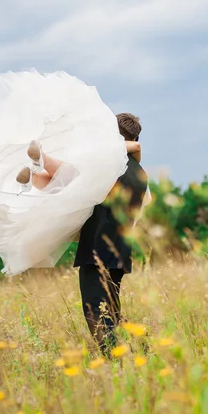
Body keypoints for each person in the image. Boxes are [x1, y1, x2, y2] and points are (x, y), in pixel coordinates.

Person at [0, 71, 133, 275]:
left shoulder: (113, 157)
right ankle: (37, 170)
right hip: (98, 228)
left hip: (89, 216)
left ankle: (39, 167)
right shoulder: (124, 166)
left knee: (69, 181)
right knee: (71, 182)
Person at [73, 113, 149, 355]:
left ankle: (117, 363)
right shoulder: (139, 173)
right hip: (119, 253)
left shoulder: (106, 167)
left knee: (97, 314)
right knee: (112, 312)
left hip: (97, 251)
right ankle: (143, 350)